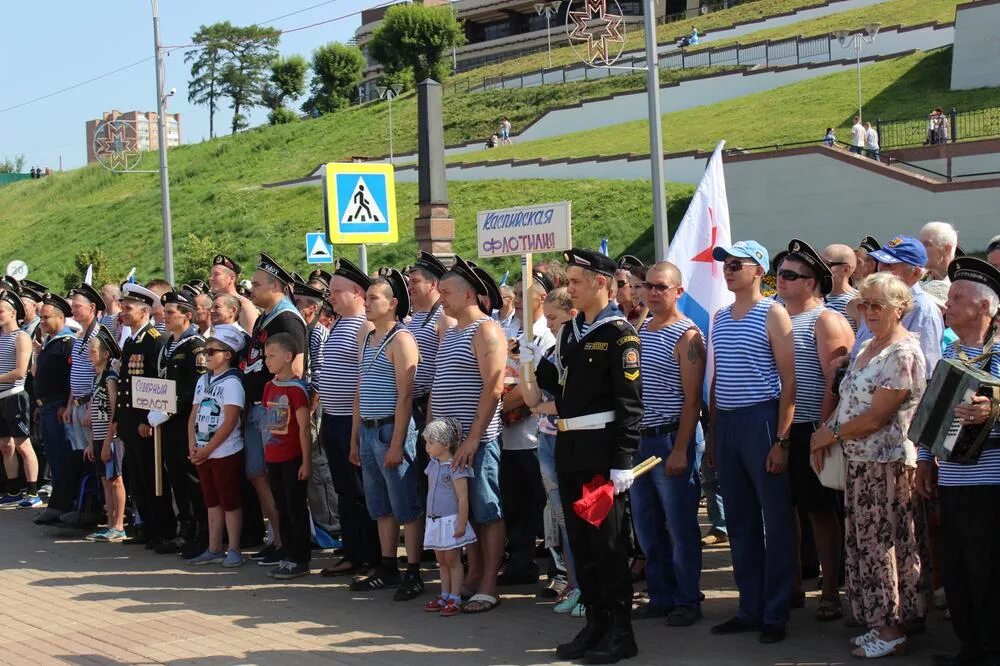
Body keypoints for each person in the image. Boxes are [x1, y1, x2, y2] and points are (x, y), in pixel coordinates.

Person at [527, 248, 642, 663]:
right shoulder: (572, 331)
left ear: (601, 283)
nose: (569, 288)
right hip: (569, 446)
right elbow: (554, 383)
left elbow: (630, 405)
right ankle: (595, 624)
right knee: (582, 543)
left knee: (606, 544)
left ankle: (620, 632)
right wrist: (529, 357)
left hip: (600, 450)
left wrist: (622, 461)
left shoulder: (619, 335)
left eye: (576, 281)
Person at [811, 273, 926, 659]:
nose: (870, 311)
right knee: (863, 544)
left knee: (883, 545)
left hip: (886, 463)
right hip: (860, 461)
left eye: (878, 305)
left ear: (900, 308)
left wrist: (830, 435)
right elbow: (850, 401)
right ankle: (879, 622)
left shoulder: (902, 353)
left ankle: (893, 628)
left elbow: (877, 417)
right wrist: (830, 433)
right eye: (864, 304)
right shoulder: (870, 345)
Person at [708, 240, 796, 644]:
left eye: (736, 264)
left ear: (759, 271)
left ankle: (776, 611)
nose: (728, 270)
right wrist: (713, 433)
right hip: (728, 422)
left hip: (761, 419)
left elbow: (789, 381)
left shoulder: (773, 312)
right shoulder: (720, 316)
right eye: (725, 264)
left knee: (774, 522)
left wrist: (782, 439)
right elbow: (718, 378)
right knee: (740, 522)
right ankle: (749, 607)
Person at [915, 258, 1000, 666]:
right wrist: (924, 460)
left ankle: (991, 648)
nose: (948, 305)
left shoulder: (998, 352)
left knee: (988, 570)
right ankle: (970, 647)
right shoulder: (950, 351)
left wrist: (993, 410)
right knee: (958, 568)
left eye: (958, 298)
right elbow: (933, 410)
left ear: (985, 306)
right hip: (952, 480)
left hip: (991, 482)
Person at [775, 241, 855, 622]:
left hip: (813, 427)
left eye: (791, 275)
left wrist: (824, 432)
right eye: (780, 273)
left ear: (811, 283)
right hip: (782, 428)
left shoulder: (826, 320)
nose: (781, 279)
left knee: (820, 511)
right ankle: (792, 585)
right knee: (786, 509)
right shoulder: (774, 315)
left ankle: (829, 591)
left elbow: (835, 383)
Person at [629, 261, 706, 627]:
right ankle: (660, 595)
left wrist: (680, 449)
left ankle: (687, 599)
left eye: (661, 286)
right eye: (648, 286)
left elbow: (693, 400)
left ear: (678, 291)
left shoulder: (687, 336)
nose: (653, 292)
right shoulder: (640, 330)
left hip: (670, 437)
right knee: (647, 524)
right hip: (639, 441)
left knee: (679, 526)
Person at [429, 256, 507, 614]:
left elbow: (493, 388)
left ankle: (489, 583)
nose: (441, 298)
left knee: (486, 510)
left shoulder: (486, 330)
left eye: (446, 292)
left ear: (469, 294)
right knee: (466, 511)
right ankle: (472, 576)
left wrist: (474, 438)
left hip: (479, 441)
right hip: (449, 444)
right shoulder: (451, 330)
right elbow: (439, 384)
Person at [349, 269, 424, 598]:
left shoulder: (402, 339)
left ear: (392, 303)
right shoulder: (368, 338)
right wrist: (355, 437)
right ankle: (388, 566)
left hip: (391, 428)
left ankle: (414, 571)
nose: (366, 303)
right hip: (368, 430)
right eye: (365, 298)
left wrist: (397, 443)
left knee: (406, 503)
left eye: (373, 298)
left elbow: (405, 397)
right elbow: (360, 388)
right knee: (380, 505)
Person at [316, 258, 381, 578]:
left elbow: (362, 380)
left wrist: (354, 431)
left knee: (359, 491)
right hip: (333, 418)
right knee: (344, 489)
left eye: (337, 291)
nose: (331, 297)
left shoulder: (364, 325)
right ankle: (352, 551)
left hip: (350, 421)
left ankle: (369, 555)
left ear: (357, 292)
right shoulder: (340, 323)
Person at [243, 253, 307, 566]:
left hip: (278, 410)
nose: (251, 289)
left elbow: (296, 369)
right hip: (260, 404)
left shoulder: (287, 319)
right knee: (264, 477)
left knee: (282, 484)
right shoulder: (264, 317)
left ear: (276, 286)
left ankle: (289, 544)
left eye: (257, 284)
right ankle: (279, 538)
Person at [522, 287, 581, 613]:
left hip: (569, 438)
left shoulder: (578, 350)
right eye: (546, 318)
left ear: (572, 315)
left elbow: (567, 403)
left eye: (553, 318)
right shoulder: (551, 350)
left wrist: (543, 407)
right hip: (546, 438)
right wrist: (527, 366)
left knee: (575, 518)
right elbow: (533, 400)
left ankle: (584, 586)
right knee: (560, 518)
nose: (548, 324)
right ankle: (572, 584)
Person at [498, 274, 554, 586]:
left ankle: (559, 571)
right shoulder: (509, 331)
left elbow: (534, 382)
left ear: (541, 298)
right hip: (508, 436)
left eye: (523, 294)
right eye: (516, 294)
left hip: (536, 434)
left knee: (546, 507)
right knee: (515, 505)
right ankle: (520, 564)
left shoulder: (545, 334)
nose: (517, 300)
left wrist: (499, 407)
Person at [116, 283, 172, 547]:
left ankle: (162, 529)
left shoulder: (154, 340)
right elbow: (126, 384)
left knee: (153, 478)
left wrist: (146, 419)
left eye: (128, 308)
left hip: (144, 423)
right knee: (137, 479)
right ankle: (147, 527)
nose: (123, 312)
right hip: (130, 422)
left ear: (144, 311)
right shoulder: (131, 341)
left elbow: (156, 383)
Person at [187, 324, 246, 568]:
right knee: (211, 501)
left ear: (228, 354)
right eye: (205, 351)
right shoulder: (203, 379)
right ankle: (213, 548)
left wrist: (208, 449)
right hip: (203, 451)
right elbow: (193, 414)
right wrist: (192, 445)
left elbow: (230, 421)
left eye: (212, 351)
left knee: (229, 501)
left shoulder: (232, 383)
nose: (206, 355)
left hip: (225, 451)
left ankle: (234, 548)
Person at [154, 291, 207, 556]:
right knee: (175, 475)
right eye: (164, 312)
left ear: (187, 315)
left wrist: (171, 407)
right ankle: (184, 529)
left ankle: (200, 532)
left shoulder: (195, 345)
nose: (165, 316)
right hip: (169, 421)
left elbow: (196, 385)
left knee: (190, 477)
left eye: (170, 312)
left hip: (186, 420)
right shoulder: (168, 344)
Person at [855, 236, 944, 377]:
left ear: (915, 273)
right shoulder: (872, 301)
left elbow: (926, 372)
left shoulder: (924, 310)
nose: (881, 269)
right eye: (881, 262)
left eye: (889, 265)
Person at [262, 332, 312, 580]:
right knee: (281, 507)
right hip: (273, 457)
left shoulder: (296, 389)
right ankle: (287, 552)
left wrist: (306, 461)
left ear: (288, 356)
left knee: (295, 509)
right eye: (265, 356)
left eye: (272, 355)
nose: (267, 360)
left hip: (293, 458)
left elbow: (304, 428)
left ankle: (300, 558)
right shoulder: (269, 386)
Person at [421, 417, 477, 617]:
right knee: (442, 561)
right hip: (435, 520)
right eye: (426, 442)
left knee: (453, 560)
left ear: (446, 444)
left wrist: (461, 523)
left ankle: (455, 596)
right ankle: (444, 594)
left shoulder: (456, 467)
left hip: (450, 522)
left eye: (431, 442)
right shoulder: (433, 464)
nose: (427, 447)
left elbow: (463, 497)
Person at [31, 294, 76, 525]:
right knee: (53, 454)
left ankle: (62, 504)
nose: (42, 322)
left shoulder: (67, 342)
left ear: (60, 318)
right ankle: (58, 503)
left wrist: (65, 404)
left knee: (61, 456)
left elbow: (70, 378)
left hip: (59, 406)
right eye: (41, 318)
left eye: (46, 317)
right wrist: (39, 404)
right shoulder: (51, 341)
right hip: (47, 405)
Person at [82, 324, 126, 542]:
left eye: (93, 351)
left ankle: (119, 525)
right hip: (98, 436)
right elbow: (94, 415)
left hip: (111, 438)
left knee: (115, 479)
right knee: (105, 481)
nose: (89, 356)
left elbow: (114, 409)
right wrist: (92, 442)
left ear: (105, 354)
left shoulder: (110, 377)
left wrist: (109, 440)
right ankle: (109, 523)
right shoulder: (95, 377)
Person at [0, 290, 41, 507]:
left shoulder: (21, 337)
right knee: (4, 445)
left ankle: (33, 492)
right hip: (0, 398)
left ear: (13, 313)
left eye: (1, 311)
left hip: (14, 396)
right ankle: (13, 489)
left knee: (23, 444)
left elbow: (20, 371)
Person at [63, 284, 104, 472]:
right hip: (78, 405)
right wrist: (70, 405)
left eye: (78, 306)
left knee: (94, 456)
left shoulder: (99, 335)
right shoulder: (80, 336)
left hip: (90, 404)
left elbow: (100, 375)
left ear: (92, 307)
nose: (73, 311)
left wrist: (92, 408)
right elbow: (76, 374)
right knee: (82, 456)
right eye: (73, 307)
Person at [209, 255, 258, 332]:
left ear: (231, 278)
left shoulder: (244, 306)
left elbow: (250, 336)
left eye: (216, 274)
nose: (211, 278)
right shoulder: (213, 303)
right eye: (211, 275)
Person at [822, 243, 860, 328]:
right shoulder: (815, 298)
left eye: (827, 265)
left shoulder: (858, 302)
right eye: (820, 263)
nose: (821, 269)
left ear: (846, 269)